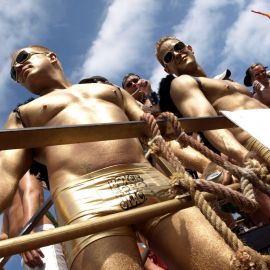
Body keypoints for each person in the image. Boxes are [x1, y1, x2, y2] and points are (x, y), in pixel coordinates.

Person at [0, 44, 240, 270]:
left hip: (151, 181)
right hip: (84, 199)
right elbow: (5, 175)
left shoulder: (111, 90)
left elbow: (156, 136)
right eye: (13, 73)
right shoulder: (23, 114)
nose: (18, 69)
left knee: (228, 264)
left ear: (51, 56)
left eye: (23, 58)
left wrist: (207, 164)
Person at [155, 36, 270, 224]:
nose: (176, 54)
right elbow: (208, 124)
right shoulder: (182, 83)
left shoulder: (227, 83)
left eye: (179, 47)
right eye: (168, 57)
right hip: (256, 139)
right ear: (167, 69)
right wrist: (244, 155)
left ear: (190, 48)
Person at [1, 171, 67, 270]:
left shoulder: (22, 163)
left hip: (38, 237)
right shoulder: (7, 194)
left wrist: (28, 234)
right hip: (26, 250)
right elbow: (6, 235)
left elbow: (32, 192)